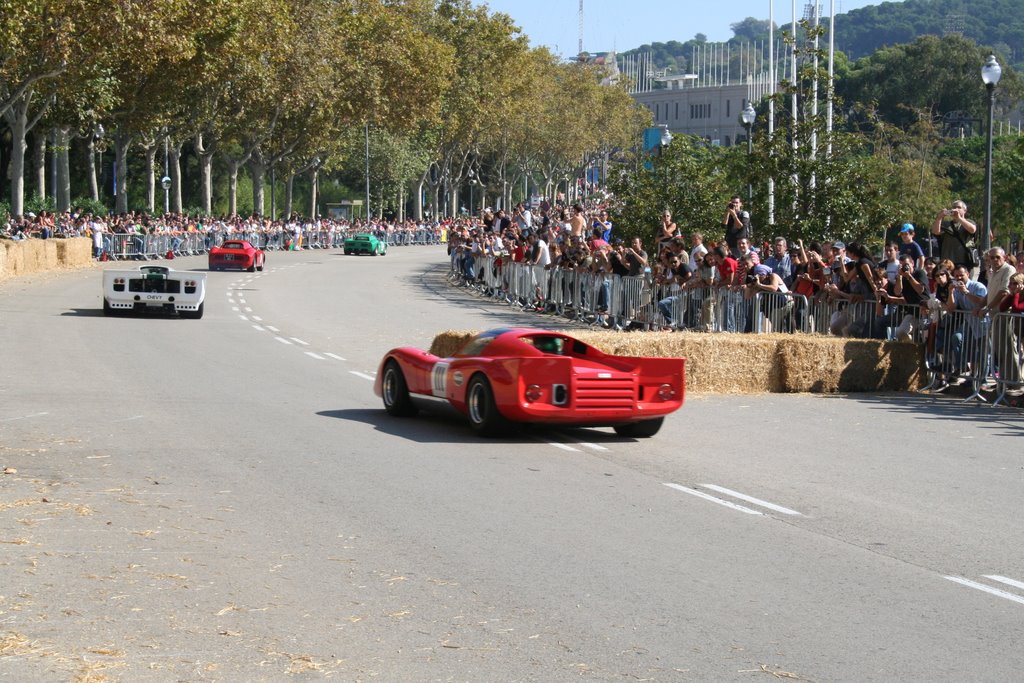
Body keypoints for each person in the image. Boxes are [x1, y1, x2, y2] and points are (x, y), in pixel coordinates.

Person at [980, 247, 1021, 391]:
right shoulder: (992, 272)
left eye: (997, 257)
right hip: (995, 316)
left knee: (1008, 348)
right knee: (999, 349)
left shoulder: (1008, 270)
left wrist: (987, 308)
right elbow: (990, 293)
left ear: (1004, 257)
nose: (994, 260)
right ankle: (1003, 380)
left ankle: (1014, 381)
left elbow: (1004, 292)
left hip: (1004, 314)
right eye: (992, 257)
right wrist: (980, 307)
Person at [931, 200, 979, 274]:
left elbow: (972, 230)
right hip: (948, 263)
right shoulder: (946, 224)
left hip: (964, 262)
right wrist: (939, 218)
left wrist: (959, 218)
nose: (955, 209)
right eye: (954, 207)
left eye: (959, 207)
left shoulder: (969, 222)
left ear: (965, 210)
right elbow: (935, 232)